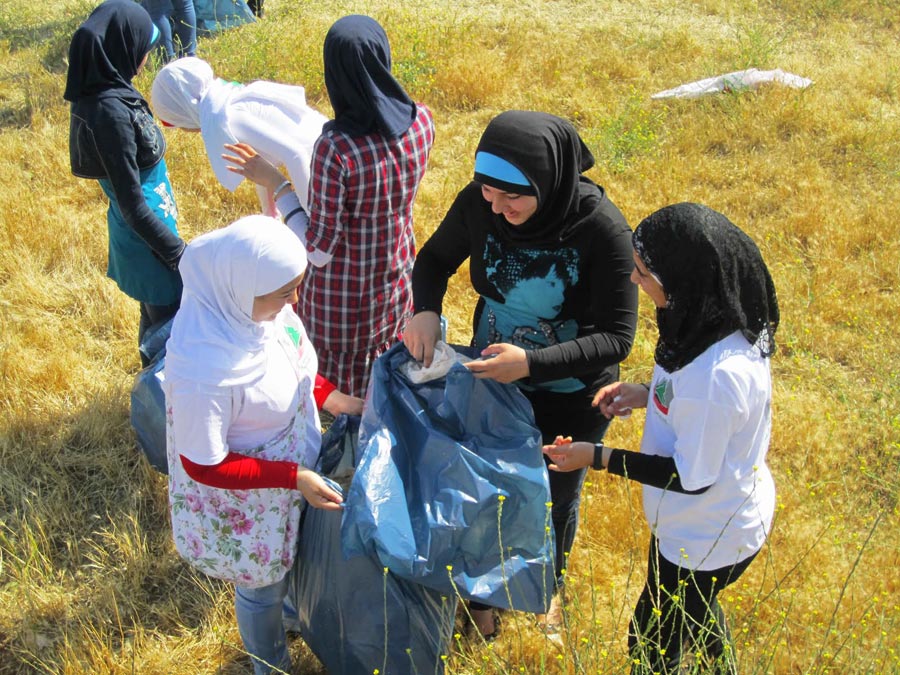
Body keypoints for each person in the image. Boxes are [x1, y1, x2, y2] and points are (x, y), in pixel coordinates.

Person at [403, 110, 638, 637]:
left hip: (570, 392)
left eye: (512, 198)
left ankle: (544, 586)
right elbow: (435, 259)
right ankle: (484, 597)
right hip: (493, 377)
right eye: (489, 194)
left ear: (548, 182)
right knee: (487, 485)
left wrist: (530, 363)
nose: (497, 207)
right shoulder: (480, 203)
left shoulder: (601, 231)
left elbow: (616, 337)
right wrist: (424, 310)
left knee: (552, 495)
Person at [543, 202, 779, 674]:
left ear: (686, 283)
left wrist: (598, 455)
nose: (634, 281)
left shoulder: (716, 377)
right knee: (697, 615)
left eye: (645, 273)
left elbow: (691, 478)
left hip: (706, 534)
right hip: (699, 526)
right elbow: (700, 408)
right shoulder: (710, 323)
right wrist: (649, 394)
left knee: (650, 646)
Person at [163, 215, 363, 675]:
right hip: (254, 499)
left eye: (297, 285)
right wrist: (292, 478)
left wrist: (335, 398)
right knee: (261, 587)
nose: (295, 299)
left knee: (292, 564)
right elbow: (203, 464)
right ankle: (268, 664)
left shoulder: (259, 311)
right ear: (239, 288)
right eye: (284, 291)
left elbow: (294, 368)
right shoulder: (204, 372)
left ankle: (291, 614)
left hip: (295, 478)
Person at [225, 14, 435, 398]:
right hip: (394, 278)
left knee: (343, 398)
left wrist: (277, 183)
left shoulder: (337, 149)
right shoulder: (422, 121)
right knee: (381, 384)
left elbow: (319, 250)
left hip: (343, 304)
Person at [64, 0, 186, 366]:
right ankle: (160, 401)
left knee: (155, 313)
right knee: (171, 322)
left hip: (146, 229)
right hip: (147, 239)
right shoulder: (110, 114)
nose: (147, 56)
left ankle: (150, 380)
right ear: (122, 47)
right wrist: (180, 255)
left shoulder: (109, 90)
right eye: (144, 48)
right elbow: (134, 205)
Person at [150, 57, 328, 217]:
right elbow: (262, 163)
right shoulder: (226, 97)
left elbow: (295, 154)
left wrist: (312, 220)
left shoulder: (228, 118)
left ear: (184, 113)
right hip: (330, 154)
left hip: (329, 165)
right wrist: (270, 214)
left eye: (178, 124)